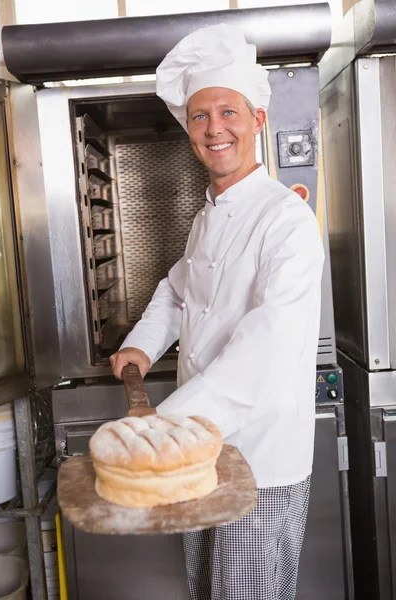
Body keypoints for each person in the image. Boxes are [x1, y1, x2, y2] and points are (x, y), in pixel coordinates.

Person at [110, 23, 324, 600]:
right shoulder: (209, 214)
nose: (213, 128)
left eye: (227, 112)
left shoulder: (286, 221)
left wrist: (171, 427)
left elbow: (268, 343)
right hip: (204, 455)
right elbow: (179, 289)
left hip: (256, 461)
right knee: (207, 590)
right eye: (199, 117)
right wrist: (143, 344)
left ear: (257, 121)